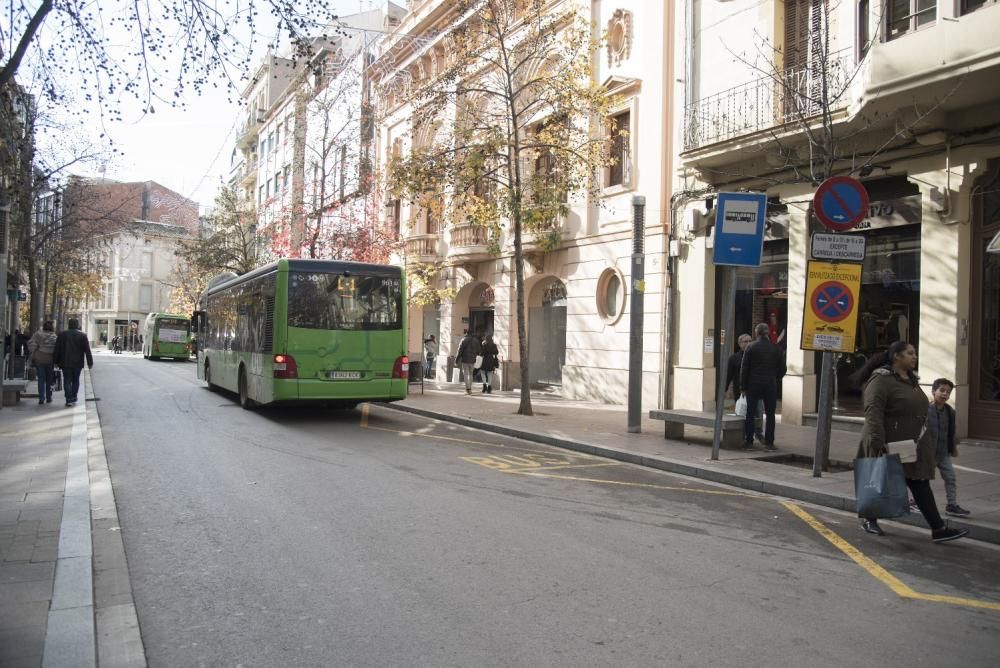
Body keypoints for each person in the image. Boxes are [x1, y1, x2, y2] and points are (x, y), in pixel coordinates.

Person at [851, 341, 968, 542]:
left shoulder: (910, 380)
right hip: (886, 443)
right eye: (910, 353)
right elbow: (873, 414)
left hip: (910, 445)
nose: (915, 357)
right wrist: (878, 443)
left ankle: (938, 529)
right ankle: (870, 520)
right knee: (877, 480)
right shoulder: (880, 380)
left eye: (915, 353)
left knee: (919, 482)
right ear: (897, 356)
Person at [927, 378, 971, 517]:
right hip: (928, 453)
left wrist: (953, 448)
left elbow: (951, 431)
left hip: (943, 453)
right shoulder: (925, 410)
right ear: (934, 391)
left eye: (948, 392)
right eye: (942, 390)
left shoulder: (949, 411)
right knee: (922, 480)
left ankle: (951, 505)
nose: (945, 394)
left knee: (950, 478)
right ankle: (914, 501)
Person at [739, 322, 785, 451]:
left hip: (753, 384)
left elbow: (745, 368)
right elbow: (783, 369)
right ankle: (769, 442)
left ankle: (749, 441)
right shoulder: (776, 348)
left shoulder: (751, 347)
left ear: (756, 333)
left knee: (750, 413)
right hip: (770, 384)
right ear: (768, 333)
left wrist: (743, 386)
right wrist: (775, 378)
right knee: (770, 414)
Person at [726, 333, 764, 445]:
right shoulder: (734, 358)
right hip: (742, 392)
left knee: (758, 413)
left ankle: (758, 433)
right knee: (742, 414)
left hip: (756, 390)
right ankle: (743, 435)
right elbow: (729, 375)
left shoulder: (756, 356)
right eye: (745, 341)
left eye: (749, 341)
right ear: (739, 344)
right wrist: (724, 388)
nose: (748, 343)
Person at [53, 318, 94, 408]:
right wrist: (90, 362)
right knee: (76, 380)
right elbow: (87, 350)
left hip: (65, 362)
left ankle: (69, 399)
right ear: (77, 324)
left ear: (69, 324)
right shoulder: (82, 335)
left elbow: (57, 349)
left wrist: (55, 361)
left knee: (67, 380)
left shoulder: (62, 334)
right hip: (77, 363)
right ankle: (74, 397)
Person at [27, 321, 58, 405]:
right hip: (50, 360)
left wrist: (37, 348)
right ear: (52, 328)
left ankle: (41, 398)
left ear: (43, 327)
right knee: (49, 380)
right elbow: (56, 349)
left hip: (39, 359)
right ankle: (49, 397)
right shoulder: (54, 336)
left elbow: (30, 344)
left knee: (41, 380)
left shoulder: (37, 334)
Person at [455, 330, 482, 395]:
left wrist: (456, 360)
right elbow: (479, 351)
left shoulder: (463, 340)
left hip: (465, 359)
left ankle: (468, 389)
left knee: (466, 374)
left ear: (466, 333)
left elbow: (459, 351)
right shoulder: (476, 341)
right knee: (471, 374)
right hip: (472, 360)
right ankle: (470, 388)